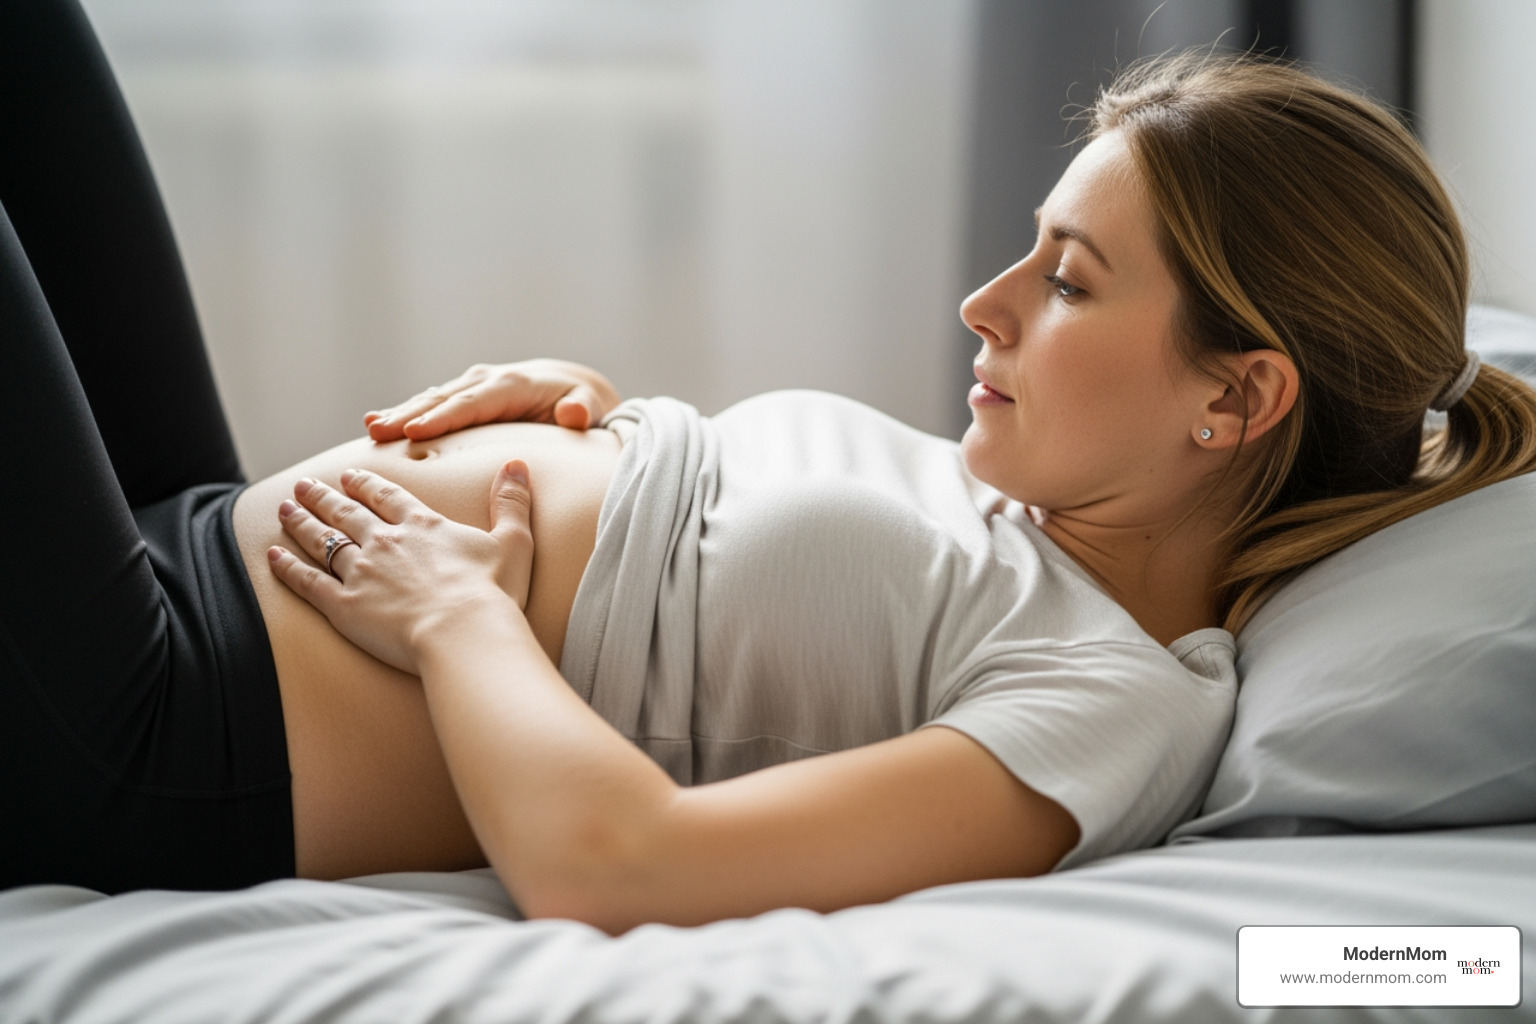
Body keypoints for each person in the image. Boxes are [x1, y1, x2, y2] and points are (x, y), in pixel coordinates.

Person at [5, 0, 1535, 934]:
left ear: (1236, 399)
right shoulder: (1022, 504)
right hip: (196, 537)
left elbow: (622, 867)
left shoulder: (1116, 699)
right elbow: (727, 584)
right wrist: (602, 423)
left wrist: (458, 617)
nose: (984, 303)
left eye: (1069, 283)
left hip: (158, 724)